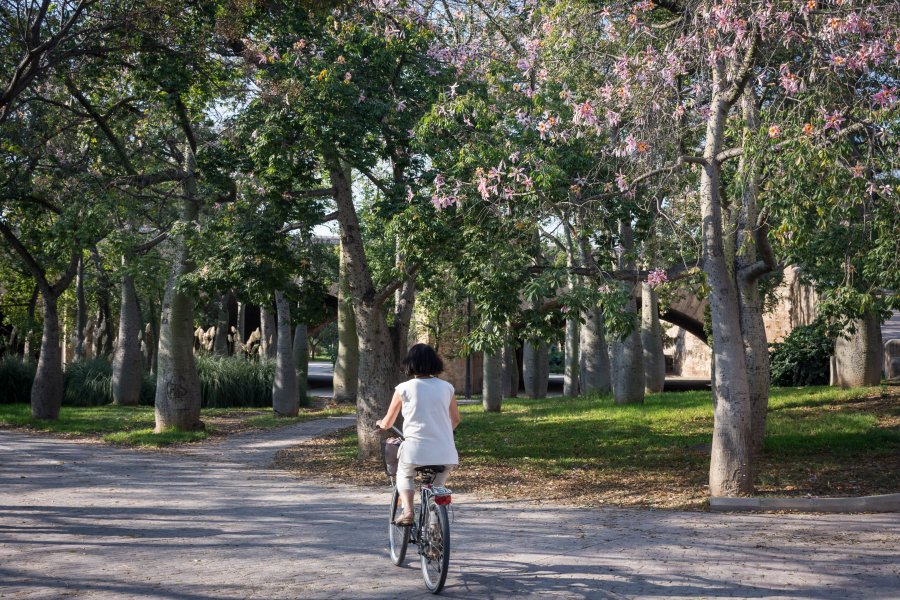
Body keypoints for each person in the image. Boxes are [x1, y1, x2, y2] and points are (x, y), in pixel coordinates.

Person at [376, 343, 460, 526]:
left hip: (415, 451)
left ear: (410, 364)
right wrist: (442, 431)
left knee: (404, 476)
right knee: (437, 490)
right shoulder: (447, 388)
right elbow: (455, 419)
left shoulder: (404, 388)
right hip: (445, 451)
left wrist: (381, 424)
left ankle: (407, 512)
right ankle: (435, 529)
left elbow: (388, 422)